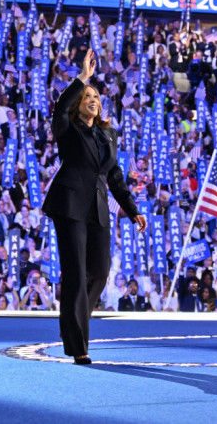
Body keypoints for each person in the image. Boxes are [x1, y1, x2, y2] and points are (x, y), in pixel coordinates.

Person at [42, 50, 147, 365]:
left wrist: (131, 209)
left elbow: (114, 175)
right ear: (79, 102)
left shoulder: (108, 134)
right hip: (70, 205)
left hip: (100, 208)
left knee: (100, 272)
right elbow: (60, 108)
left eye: (96, 95)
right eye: (87, 95)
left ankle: (72, 323)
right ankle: (78, 345)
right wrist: (82, 78)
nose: (93, 98)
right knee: (75, 272)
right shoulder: (68, 128)